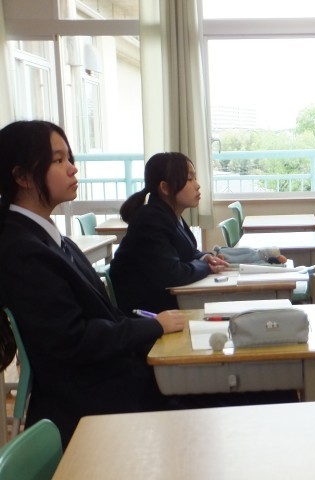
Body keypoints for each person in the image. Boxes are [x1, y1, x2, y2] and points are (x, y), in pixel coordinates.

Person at [0, 120, 187, 447]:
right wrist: (153, 326)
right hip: (94, 407)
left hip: (113, 384)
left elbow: (104, 318)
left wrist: (151, 325)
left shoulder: (53, 240)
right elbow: (74, 340)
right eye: (58, 160)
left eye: (69, 158)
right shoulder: (21, 250)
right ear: (23, 176)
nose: (73, 168)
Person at [109, 152, 229, 315]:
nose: (197, 185)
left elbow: (186, 252)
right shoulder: (150, 220)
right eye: (189, 179)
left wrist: (204, 257)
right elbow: (173, 274)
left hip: (165, 307)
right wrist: (208, 267)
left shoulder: (170, 215)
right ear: (165, 188)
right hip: (146, 315)